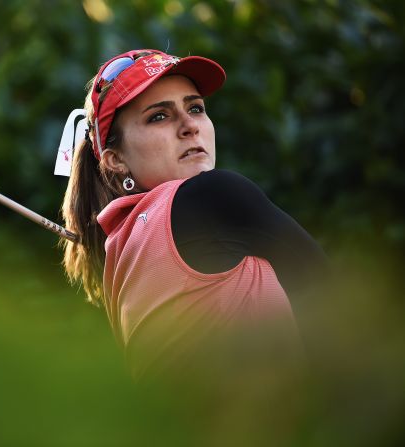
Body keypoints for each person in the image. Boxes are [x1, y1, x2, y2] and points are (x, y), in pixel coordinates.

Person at [58, 49, 328, 381]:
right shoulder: (212, 197)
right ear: (115, 159)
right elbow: (337, 299)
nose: (189, 126)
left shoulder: (117, 252)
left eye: (195, 108)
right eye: (159, 116)